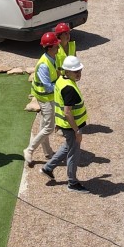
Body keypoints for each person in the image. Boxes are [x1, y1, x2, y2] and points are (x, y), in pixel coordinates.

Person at [40, 55, 89, 192]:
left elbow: (59, 103)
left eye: (79, 70)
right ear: (67, 71)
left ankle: (48, 168)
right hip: (71, 126)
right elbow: (68, 112)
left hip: (65, 124)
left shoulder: (61, 80)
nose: (79, 74)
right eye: (76, 71)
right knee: (74, 152)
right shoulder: (69, 88)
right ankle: (72, 182)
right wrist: (77, 130)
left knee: (68, 146)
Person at [23, 32, 60, 167]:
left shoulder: (52, 58)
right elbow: (49, 87)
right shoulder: (44, 65)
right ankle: (29, 149)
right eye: (56, 46)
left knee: (44, 125)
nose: (58, 48)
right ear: (49, 47)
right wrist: (62, 84)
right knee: (49, 127)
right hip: (45, 97)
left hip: (47, 97)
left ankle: (48, 152)